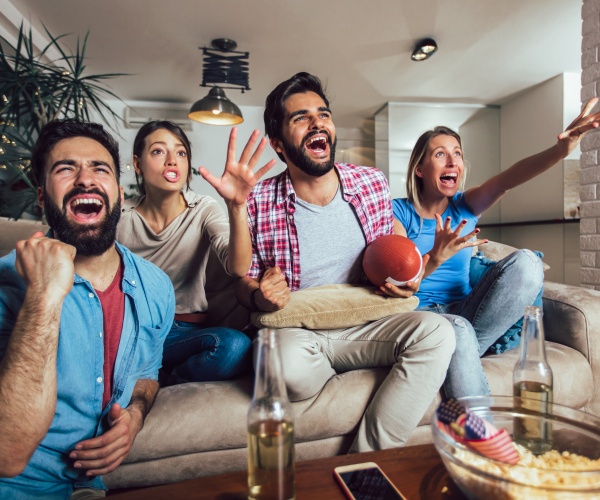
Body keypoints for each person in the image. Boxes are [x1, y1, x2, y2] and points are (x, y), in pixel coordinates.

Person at [236, 72, 456, 453]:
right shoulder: (256, 199)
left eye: (323, 113)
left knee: (439, 332)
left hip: (369, 324)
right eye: (300, 117)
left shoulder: (370, 181)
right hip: (302, 334)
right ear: (278, 144)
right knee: (280, 365)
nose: (318, 122)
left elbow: (395, 240)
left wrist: (413, 274)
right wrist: (259, 295)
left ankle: (362, 463)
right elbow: (243, 279)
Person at [0, 119, 175, 499]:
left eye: (100, 168)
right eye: (66, 169)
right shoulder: (6, 283)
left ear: (119, 193)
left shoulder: (156, 286)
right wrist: (42, 298)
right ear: (43, 196)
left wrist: (136, 417)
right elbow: (6, 454)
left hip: (92, 487)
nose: (85, 179)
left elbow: (147, 374)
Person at [392, 99, 600, 398]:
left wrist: (561, 150)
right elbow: (401, 287)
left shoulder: (466, 205)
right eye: (440, 154)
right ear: (420, 169)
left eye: (457, 154)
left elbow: (509, 179)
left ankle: (456, 353)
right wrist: (435, 257)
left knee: (527, 262)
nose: (452, 162)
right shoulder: (398, 213)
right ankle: (481, 429)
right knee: (458, 332)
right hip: (422, 316)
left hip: (470, 313)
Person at [117, 121, 275, 385]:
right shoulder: (121, 217)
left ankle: (159, 381)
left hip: (185, 333)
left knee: (234, 347)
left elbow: (237, 268)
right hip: (134, 331)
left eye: (180, 153)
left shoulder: (203, 208)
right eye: (158, 151)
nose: (172, 161)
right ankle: (146, 375)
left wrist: (237, 206)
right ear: (137, 163)